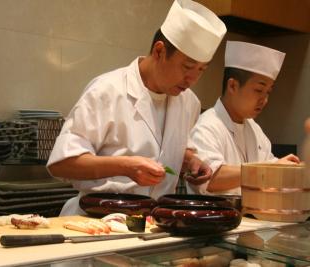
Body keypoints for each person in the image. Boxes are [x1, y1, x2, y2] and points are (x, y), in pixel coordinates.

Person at [47, 0, 227, 215]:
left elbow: (175, 147)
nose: (192, 79)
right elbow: (62, 163)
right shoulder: (107, 90)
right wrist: (125, 166)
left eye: (201, 70)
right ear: (159, 51)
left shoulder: (189, 103)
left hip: (153, 224)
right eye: (187, 67)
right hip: (96, 219)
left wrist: (191, 162)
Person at [189, 41, 300, 195]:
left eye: (268, 92)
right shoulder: (207, 126)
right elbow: (210, 178)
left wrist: (290, 168)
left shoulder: (254, 129)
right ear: (232, 86)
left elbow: (269, 165)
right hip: (215, 216)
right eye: (259, 90)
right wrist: (270, 168)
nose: (264, 99)